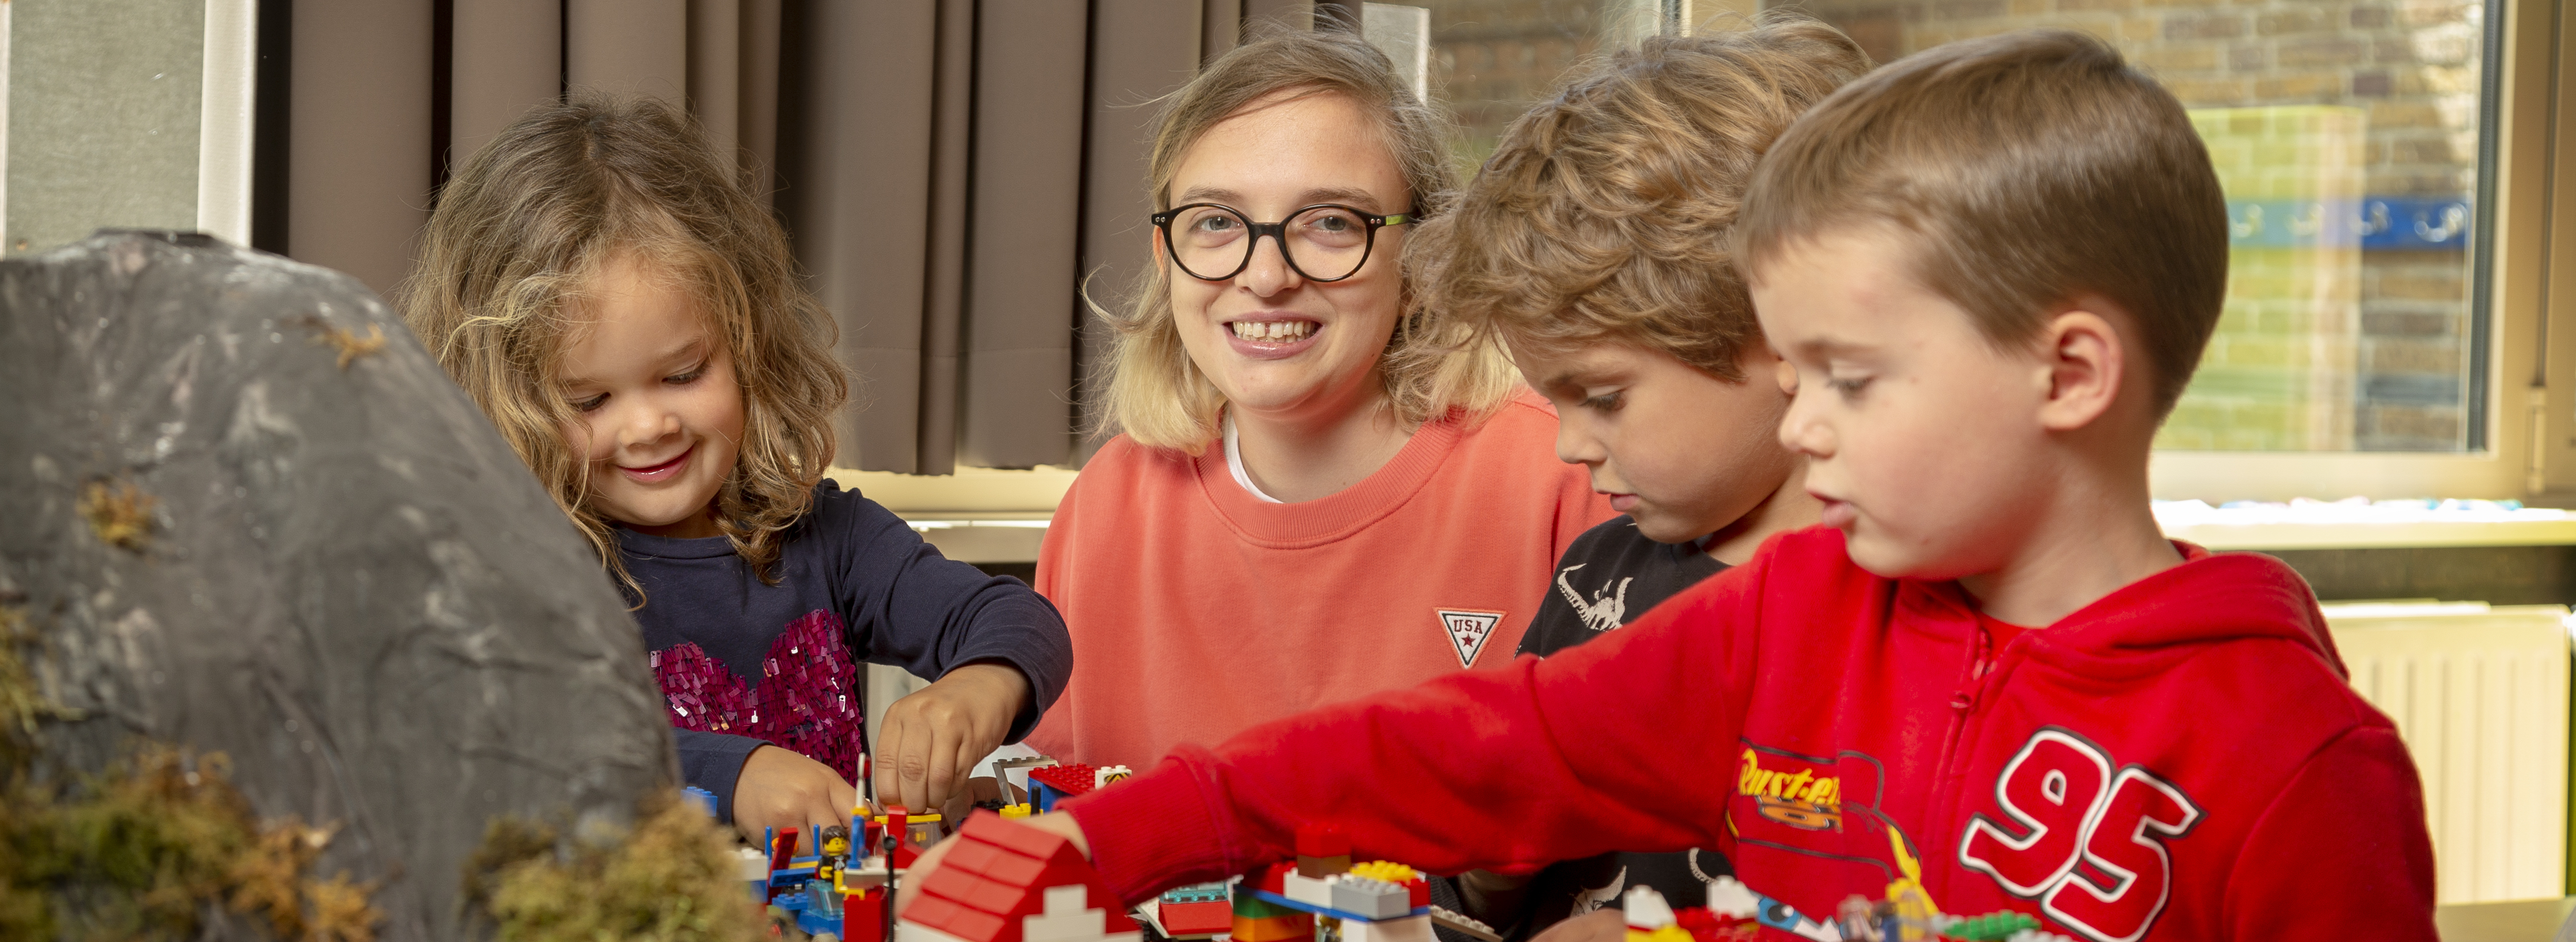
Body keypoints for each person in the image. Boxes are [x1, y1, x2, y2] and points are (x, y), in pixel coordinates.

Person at [909, 30, 2440, 941]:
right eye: (1789, 369)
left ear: (2069, 371)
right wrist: (1121, 833)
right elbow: (1470, 750)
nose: (1803, 423)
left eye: (1848, 377)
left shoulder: (2296, 762)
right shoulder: (1797, 614)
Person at [398, 97, 1072, 842]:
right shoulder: (513, 580)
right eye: (589, 400)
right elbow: (519, 748)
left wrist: (980, 685)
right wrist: (734, 775)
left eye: (684, 374)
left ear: (749, 342)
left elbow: (1020, 622)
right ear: (504, 405)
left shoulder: (828, 536)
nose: (650, 426)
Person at [1026, 29, 1614, 769]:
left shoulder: (1566, 477)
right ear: (1166, 256)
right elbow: (1065, 801)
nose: (1266, 276)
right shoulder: (1104, 508)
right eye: (1216, 222)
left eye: (1332, 222)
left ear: (1424, 254)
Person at [1404, 20, 1867, 940]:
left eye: (1605, 398)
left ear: (1787, 336)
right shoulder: (1599, 574)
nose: (1570, 445)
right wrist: (1486, 856)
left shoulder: (1891, 619)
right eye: (1553, 399)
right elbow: (1476, 879)